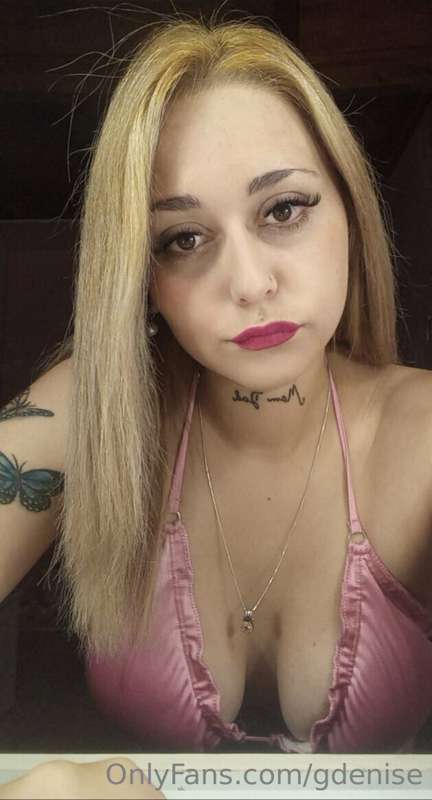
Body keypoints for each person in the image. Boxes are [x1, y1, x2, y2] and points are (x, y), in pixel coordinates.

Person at [1, 9, 432, 797]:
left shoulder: (423, 437)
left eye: (284, 209)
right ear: (143, 277)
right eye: (184, 239)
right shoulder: (88, 413)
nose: (250, 283)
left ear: (350, 208)